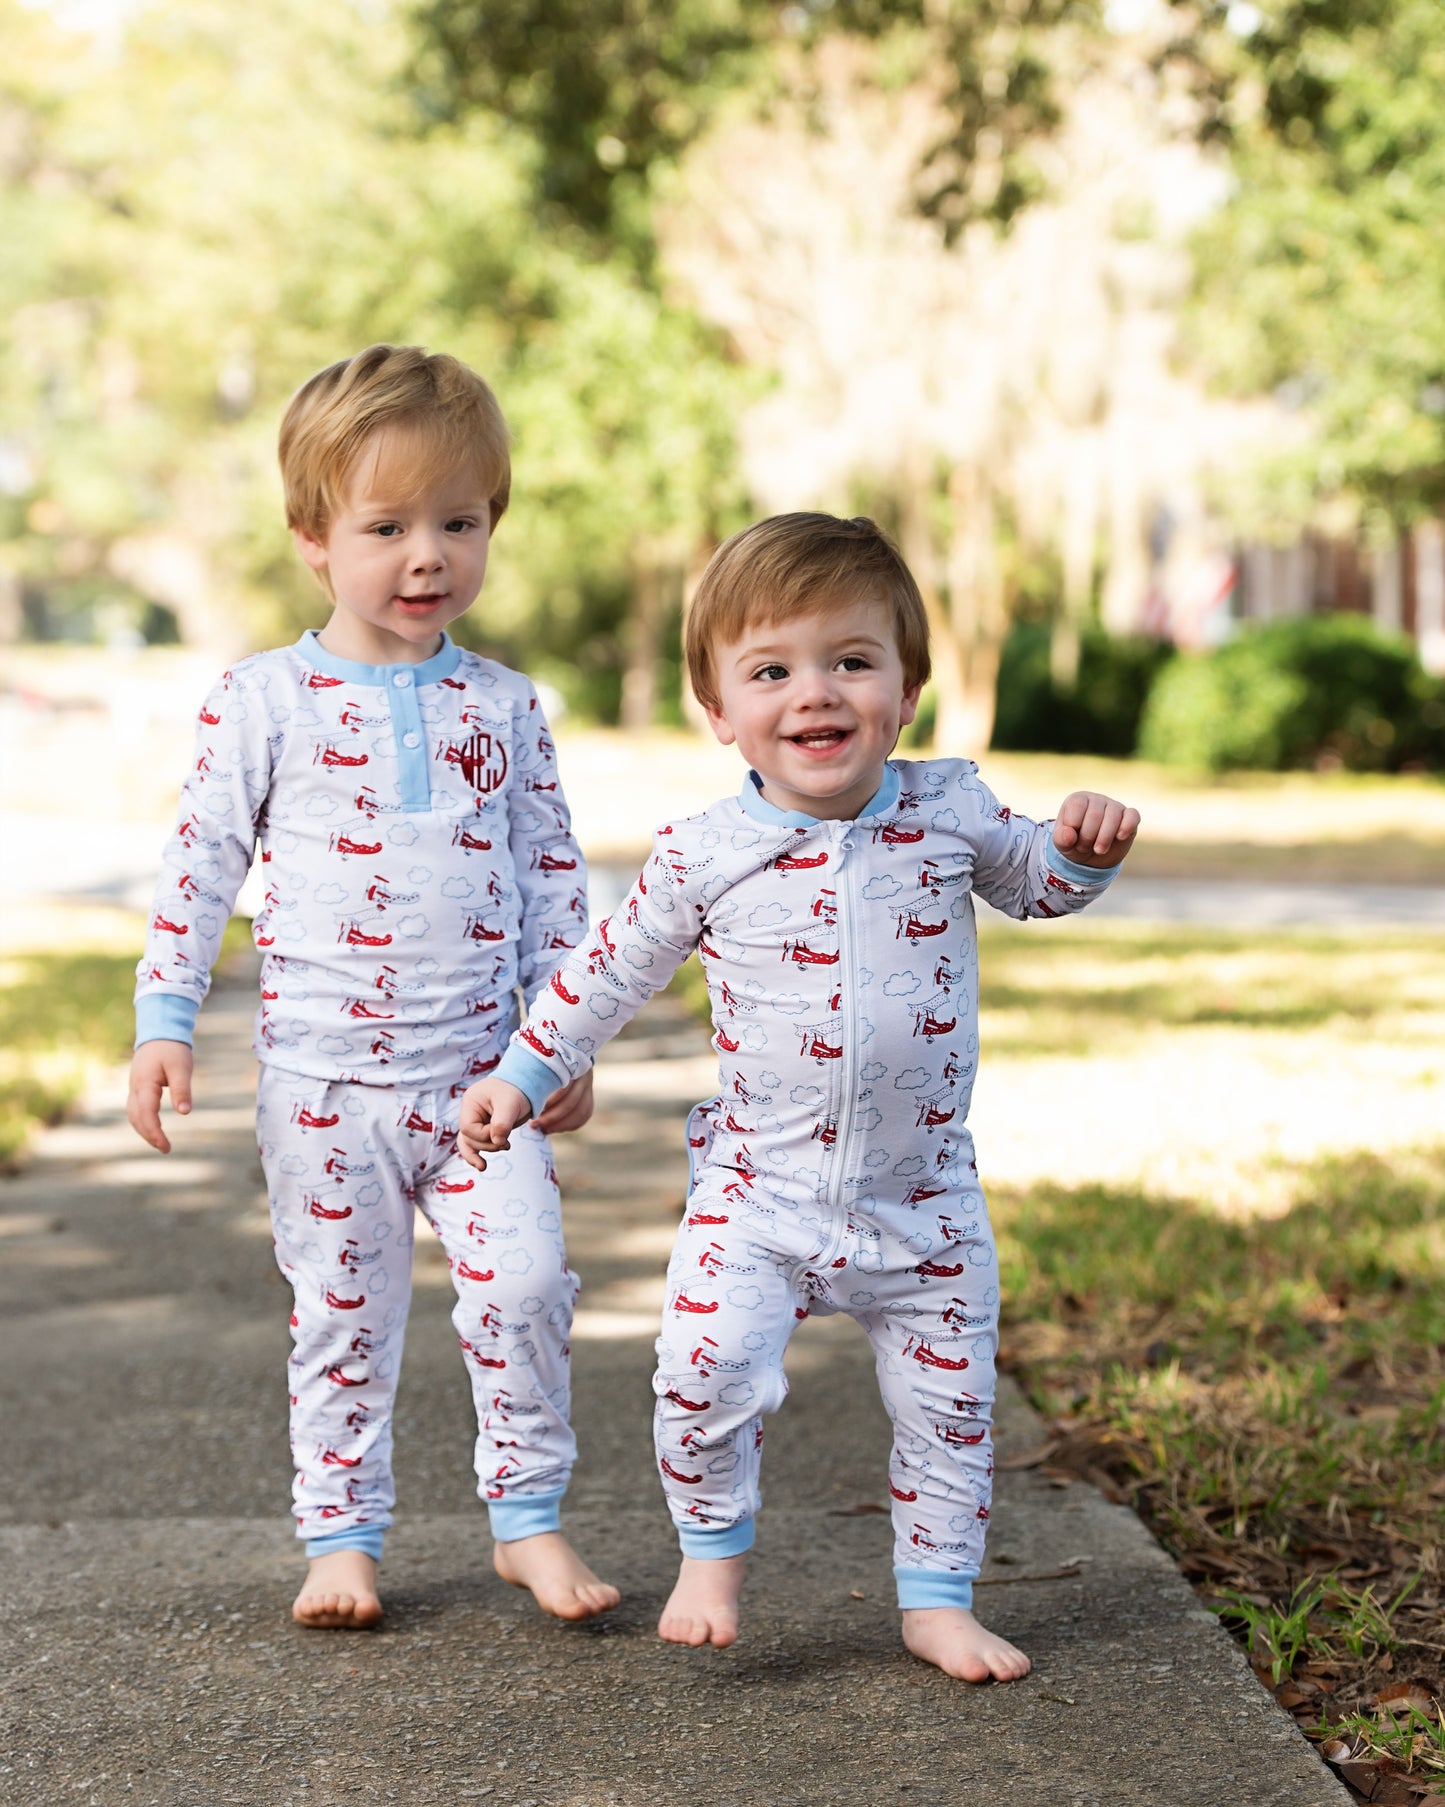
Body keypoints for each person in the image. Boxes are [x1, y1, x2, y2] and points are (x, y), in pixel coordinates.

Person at [457, 512, 1139, 1680]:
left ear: (905, 687)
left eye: (850, 661)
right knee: (703, 1371)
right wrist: (527, 1070)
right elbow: (610, 968)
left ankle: (934, 1599)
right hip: (756, 1195)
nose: (813, 693)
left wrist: (1082, 849)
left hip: (922, 1201)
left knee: (950, 1408)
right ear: (720, 713)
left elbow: (1036, 885)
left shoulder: (947, 810)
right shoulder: (702, 851)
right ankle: (711, 1552)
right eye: (770, 670)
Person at [127, 344, 619, 1631]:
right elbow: (199, 864)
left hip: (482, 1086)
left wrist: (557, 1047)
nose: (426, 556)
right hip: (322, 1088)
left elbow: (554, 884)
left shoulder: (506, 708)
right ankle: (340, 1536)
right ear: (312, 538)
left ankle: (527, 1520)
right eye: (387, 525)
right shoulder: (262, 701)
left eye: (459, 523)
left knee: (522, 1289)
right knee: (343, 1320)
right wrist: (164, 1018)